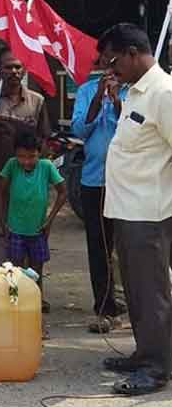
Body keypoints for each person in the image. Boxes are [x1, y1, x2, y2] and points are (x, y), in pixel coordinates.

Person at [99, 23, 172, 396]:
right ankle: (146, 351)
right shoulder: (134, 93)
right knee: (136, 288)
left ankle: (156, 367)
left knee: (151, 290)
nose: (111, 71)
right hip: (126, 210)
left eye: (113, 62)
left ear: (132, 52)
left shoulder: (163, 92)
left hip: (150, 212)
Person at [0, 48, 51, 268]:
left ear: (24, 69)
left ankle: (29, 290)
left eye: (18, 67)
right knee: (1, 233)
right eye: (8, 67)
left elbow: (44, 140)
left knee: (31, 234)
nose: (14, 71)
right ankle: (1, 287)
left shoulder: (36, 101)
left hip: (28, 184)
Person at [71, 55, 127, 334]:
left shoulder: (133, 91)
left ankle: (133, 307)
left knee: (129, 247)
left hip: (127, 182)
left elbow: (133, 128)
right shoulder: (85, 91)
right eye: (105, 65)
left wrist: (116, 100)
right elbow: (79, 129)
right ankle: (105, 310)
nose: (109, 71)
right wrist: (97, 99)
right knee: (99, 247)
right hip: (94, 181)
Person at [0, 131, 66, 311]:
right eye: (21, 156)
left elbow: (63, 192)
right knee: (16, 269)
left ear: (39, 153)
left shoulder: (46, 167)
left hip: (38, 230)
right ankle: (16, 302)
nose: (26, 161)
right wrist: (2, 220)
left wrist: (49, 220)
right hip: (15, 228)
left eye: (31, 157)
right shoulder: (12, 166)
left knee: (37, 270)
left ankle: (36, 301)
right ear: (15, 154)